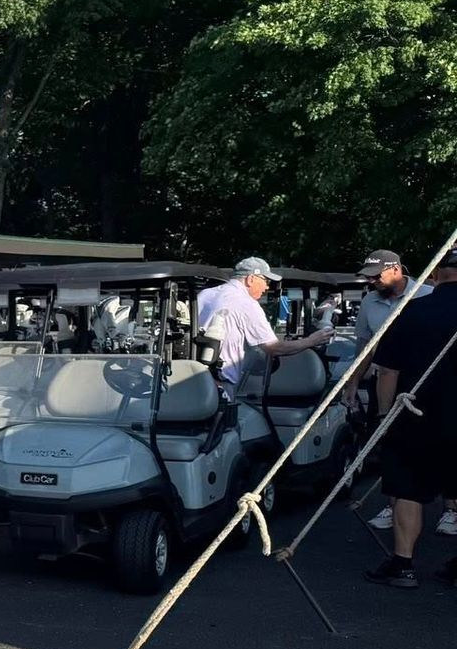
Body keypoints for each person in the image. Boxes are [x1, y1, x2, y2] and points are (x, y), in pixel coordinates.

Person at [363, 248, 457, 589]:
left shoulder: (412, 312)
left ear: (434, 276)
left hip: (417, 415)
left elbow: (388, 370)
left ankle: (403, 564)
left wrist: (384, 416)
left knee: (408, 490)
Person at [353, 251, 447, 534]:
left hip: (430, 384)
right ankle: (394, 502)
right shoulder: (370, 301)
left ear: (395, 270)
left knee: (441, 447)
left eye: (376, 275)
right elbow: (365, 346)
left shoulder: (428, 296)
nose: (371, 281)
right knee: (392, 449)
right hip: (387, 380)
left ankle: (450, 508)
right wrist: (352, 382)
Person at [193, 257, 333, 393]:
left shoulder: (205, 294)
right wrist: (312, 340)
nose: (266, 287)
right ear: (251, 279)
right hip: (221, 383)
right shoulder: (246, 303)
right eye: (265, 281)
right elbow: (274, 348)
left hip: (195, 379)